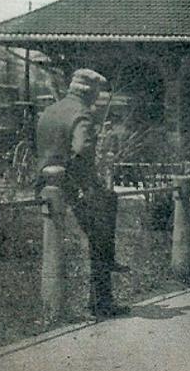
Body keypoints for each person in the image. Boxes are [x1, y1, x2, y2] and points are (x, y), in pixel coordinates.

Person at [35, 68, 127, 318]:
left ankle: (107, 263)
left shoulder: (50, 111)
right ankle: (102, 299)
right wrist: (86, 183)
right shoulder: (81, 114)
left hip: (43, 183)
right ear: (89, 94)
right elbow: (82, 150)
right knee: (104, 216)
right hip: (72, 185)